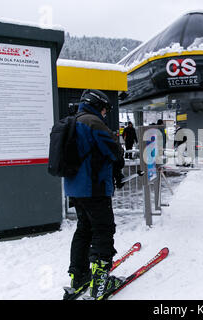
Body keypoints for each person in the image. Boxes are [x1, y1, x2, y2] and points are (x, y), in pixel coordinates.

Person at [64, 89, 125, 300]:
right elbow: (114, 151)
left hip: (75, 188)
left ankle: (79, 276)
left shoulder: (72, 121)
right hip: (94, 187)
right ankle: (101, 281)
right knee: (103, 229)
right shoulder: (93, 122)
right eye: (105, 108)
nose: (106, 113)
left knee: (84, 229)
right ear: (98, 105)